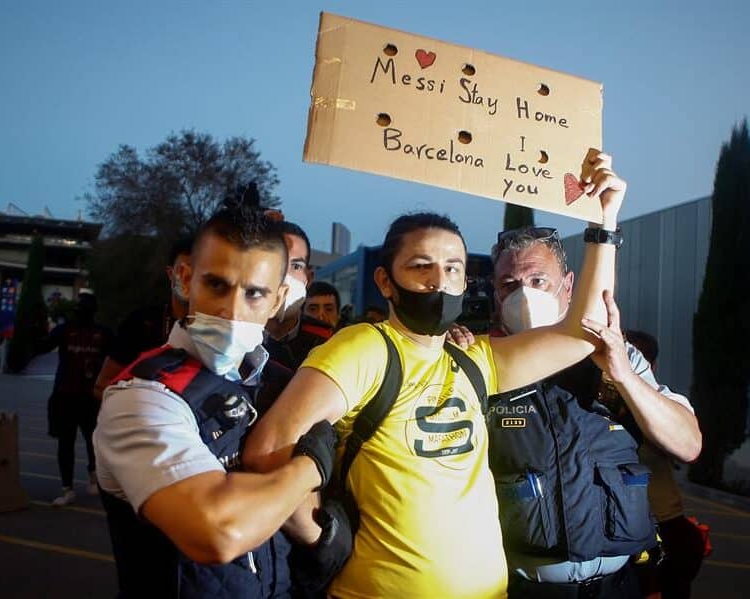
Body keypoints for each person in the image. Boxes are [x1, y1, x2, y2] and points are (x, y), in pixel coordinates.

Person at [243, 149, 625, 598]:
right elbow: (267, 451)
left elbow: (585, 332)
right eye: (421, 266)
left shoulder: (476, 360)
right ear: (386, 282)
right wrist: (317, 533)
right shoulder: (365, 348)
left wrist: (605, 221)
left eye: (453, 269)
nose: (438, 281)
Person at [93, 205, 338, 598]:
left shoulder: (278, 382)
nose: (232, 310)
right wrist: (311, 466)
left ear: (276, 302)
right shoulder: (143, 396)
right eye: (217, 285)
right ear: (186, 280)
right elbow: (218, 535)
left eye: (254, 293)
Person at [476, 225, 701, 598]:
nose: (524, 295)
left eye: (537, 280)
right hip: (523, 588)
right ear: (495, 293)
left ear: (568, 285)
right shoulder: (482, 363)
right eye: (509, 284)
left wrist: (624, 376)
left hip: (619, 585)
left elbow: (688, 444)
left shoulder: (618, 356)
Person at [625, 330, 706, 599]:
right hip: (623, 533)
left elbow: (687, 446)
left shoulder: (666, 405)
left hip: (664, 529)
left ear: (650, 367)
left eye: (635, 359)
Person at [35, 289, 113, 506]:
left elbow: (118, 358)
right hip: (66, 396)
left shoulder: (103, 334)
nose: (81, 312)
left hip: (90, 398)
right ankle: (68, 488)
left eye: (84, 308)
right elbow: (41, 346)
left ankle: (92, 476)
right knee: (67, 443)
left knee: (93, 441)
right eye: (79, 308)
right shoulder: (64, 330)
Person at [92, 236, 192, 400]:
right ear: (170, 273)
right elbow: (102, 385)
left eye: (197, 272)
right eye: (183, 270)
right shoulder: (141, 323)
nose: (188, 279)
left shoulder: (217, 329)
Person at [264, 221, 333, 370]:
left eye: (296, 267)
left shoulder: (327, 342)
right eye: (275, 263)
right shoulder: (237, 334)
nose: (284, 277)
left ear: (309, 278)